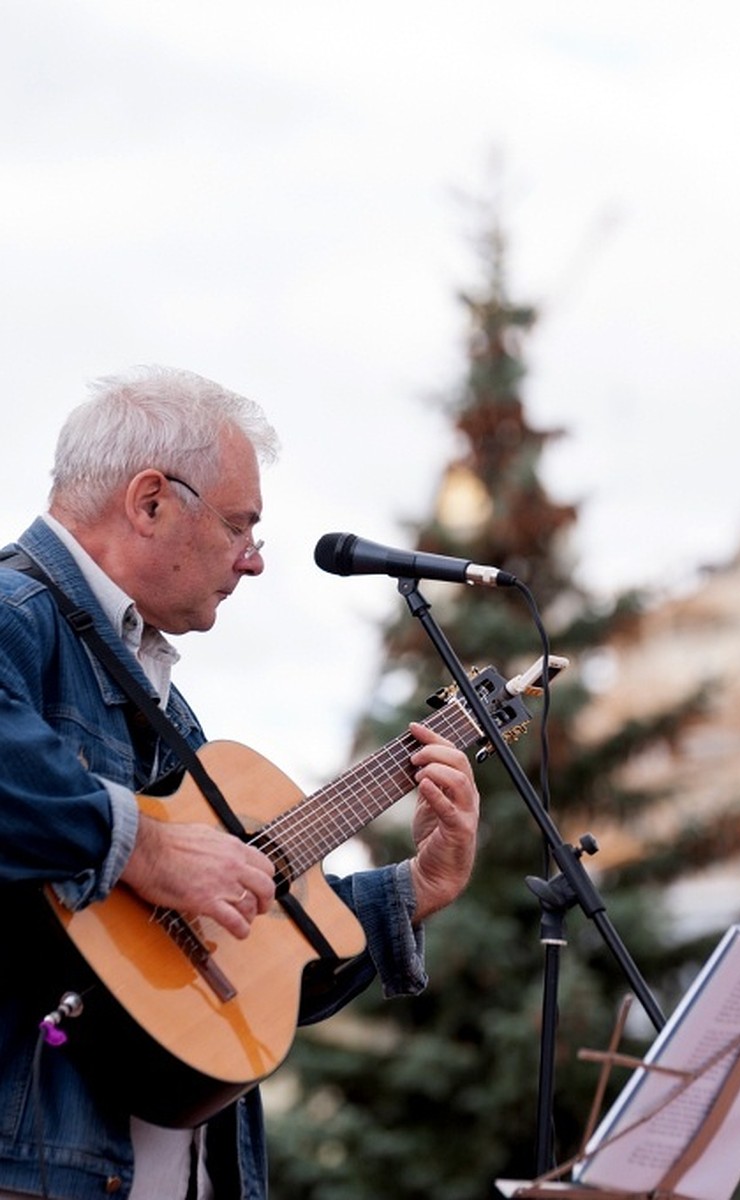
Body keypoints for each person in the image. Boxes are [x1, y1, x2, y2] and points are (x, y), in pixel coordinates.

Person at [0, 366, 481, 1199]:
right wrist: (147, 850)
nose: (254, 561)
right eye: (240, 526)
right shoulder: (13, 616)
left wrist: (412, 890)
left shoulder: (167, 708)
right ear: (150, 501)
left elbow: (246, 973)